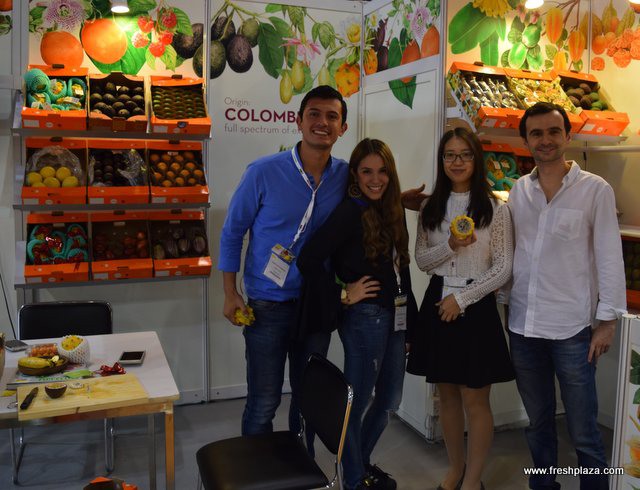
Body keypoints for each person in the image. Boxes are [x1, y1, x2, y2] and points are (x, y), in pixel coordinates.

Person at [505, 102, 626, 490]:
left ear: (567, 136)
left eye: (553, 132)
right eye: (536, 133)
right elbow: (511, 252)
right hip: (523, 327)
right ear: (526, 141)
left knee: (583, 429)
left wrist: (607, 322)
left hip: (572, 330)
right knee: (538, 423)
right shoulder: (519, 191)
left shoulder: (595, 190)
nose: (545, 140)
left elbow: (609, 256)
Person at [218, 85, 348, 442]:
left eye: (332, 116)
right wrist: (230, 293)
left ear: (342, 128)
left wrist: (403, 199)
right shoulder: (263, 172)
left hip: (316, 305)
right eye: (314, 114)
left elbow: (375, 193)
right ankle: (255, 467)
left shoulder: (345, 176)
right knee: (264, 402)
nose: (322, 122)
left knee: (308, 401)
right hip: (268, 306)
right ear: (298, 120)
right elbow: (232, 233)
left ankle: (301, 465)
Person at [298, 138, 416, 490]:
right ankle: (353, 479)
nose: (375, 179)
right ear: (355, 174)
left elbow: (402, 270)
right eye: (367, 172)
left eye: (382, 171)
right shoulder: (350, 212)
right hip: (365, 318)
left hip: (395, 316)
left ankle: (359, 464)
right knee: (357, 401)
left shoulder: (393, 208)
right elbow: (308, 259)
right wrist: (342, 294)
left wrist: (410, 327)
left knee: (390, 400)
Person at [408, 127, 514, 490]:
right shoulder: (429, 208)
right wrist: (451, 245)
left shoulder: (496, 209)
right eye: (450, 155)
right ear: (442, 160)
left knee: (475, 399)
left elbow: (503, 267)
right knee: (447, 396)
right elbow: (422, 260)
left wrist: (463, 299)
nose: (457, 162)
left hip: (476, 305)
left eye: (465, 154)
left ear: (476, 159)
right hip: (438, 301)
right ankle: (455, 469)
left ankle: (472, 479)